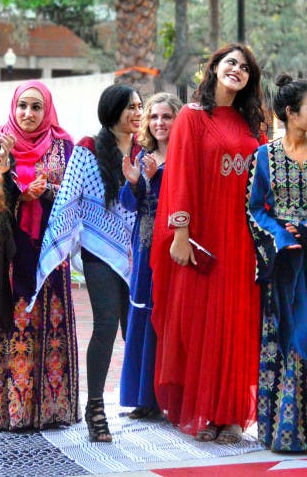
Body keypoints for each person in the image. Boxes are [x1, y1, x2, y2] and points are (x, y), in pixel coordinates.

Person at [150, 43, 265, 444]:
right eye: (230, 63)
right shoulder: (192, 116)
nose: (237, 70)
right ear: (214, 68)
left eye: (245, 67)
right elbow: (179, 176)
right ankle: (205, 412)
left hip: (243, 239)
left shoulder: (252, 124)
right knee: (202, 323)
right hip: (204, 237)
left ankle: (230, 414)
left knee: (237, 322)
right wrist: (180, 233)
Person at [35, 83, 143, 442]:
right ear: (112, 111)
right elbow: (69, 197)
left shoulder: (144, 151)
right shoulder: (88, 148)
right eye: (130, 107)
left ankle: (145, 399)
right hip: (99, 252)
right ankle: (95, 409)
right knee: (106, 325)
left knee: (135, 328)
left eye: (139, 106)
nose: (137, 113)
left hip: (138, 250)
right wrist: (63, 240)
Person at [247, 75, 307, 452]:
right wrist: (281, 238)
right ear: (290, 113)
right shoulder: (263, 156)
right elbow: (253, 209)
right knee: (282, 336)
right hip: (282, 265)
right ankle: (281, 429)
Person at [0, 80, 79, 430]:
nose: (27, 113)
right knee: (14, 324)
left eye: (36, 107)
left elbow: (75, 196)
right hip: (11, 253)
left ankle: (51, 409)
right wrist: (18, 193)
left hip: (51, 251)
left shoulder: (64, 145)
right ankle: (11, 411)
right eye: (22, 106)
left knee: (50, 323)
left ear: (47, 110)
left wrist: (45, 193)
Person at [119, 92, 183, 420]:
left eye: (166, 116)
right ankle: (144, 398)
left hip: (174, 248)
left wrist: (159, 177)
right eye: (154, 116)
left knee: (170, 317)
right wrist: (134, 183)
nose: (160, 123)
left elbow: (184, 200)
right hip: (144, 249)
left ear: (178, 120)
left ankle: (171, 397)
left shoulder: (186, 158)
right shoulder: (143, 156)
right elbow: (129, 204)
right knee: (143, 314)